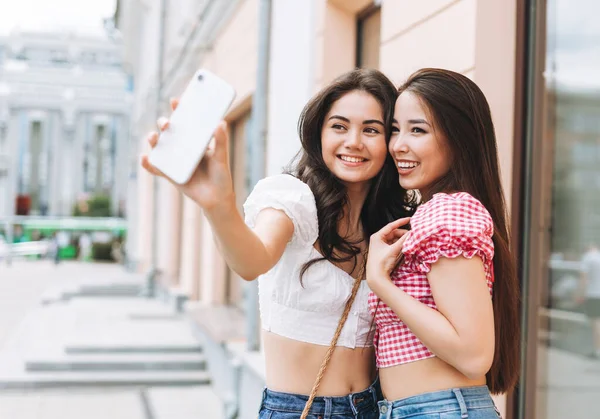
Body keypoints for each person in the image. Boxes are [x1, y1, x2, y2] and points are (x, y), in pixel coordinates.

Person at [141, 69, 415, 418]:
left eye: (371, 130)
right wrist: (219, 207)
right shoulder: (293, 198)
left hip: (375, 408)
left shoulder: (389, 228)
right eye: (339, 126)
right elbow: (252, 259)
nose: (354, 142)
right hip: (300, 410)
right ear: (319, 133)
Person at [366, 68, 520, 418]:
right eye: (395, 130)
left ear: (458, 138)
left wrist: (381, 284)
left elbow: (473, 354)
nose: (397, 145)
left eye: (417, 130)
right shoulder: (431, 213)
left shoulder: (447, 211)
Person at [578, 243, 600, 358]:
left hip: (593, 294)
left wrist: (580, 294)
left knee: (596, 323)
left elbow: (583, 278)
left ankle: (597, 350)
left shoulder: (587, 258)